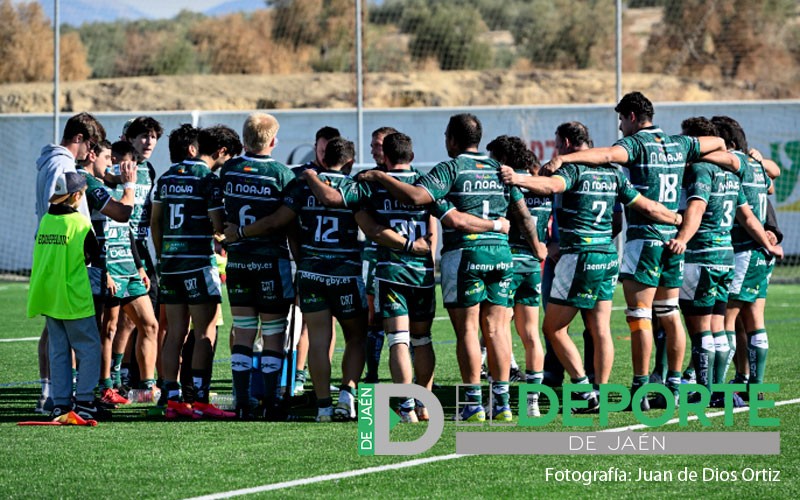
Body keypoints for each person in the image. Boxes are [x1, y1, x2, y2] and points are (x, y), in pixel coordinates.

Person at [541, 92, 727, 410]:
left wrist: (564, 159)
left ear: (630, 116)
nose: (620, 128)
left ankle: (640, 390)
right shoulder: (680, 144)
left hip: (645, 239)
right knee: (669, 314)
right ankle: (672, 386)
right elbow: (719, 144)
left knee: (639, 316)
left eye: (620, 121)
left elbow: (604, 157)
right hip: (673, 240)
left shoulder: (636, 144)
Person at [360, 113, 537, 422]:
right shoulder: (499, 170)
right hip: (501, 254)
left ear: (453, 139)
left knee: (468, 329)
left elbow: (417, 197)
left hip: (466, 253)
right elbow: (522, 213)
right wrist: (536, 247)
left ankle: (472, 403)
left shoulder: (451, 168)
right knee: (496, 329)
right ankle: (502, 403)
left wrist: (379, 177)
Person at [501, 121, 682, 413]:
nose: (557, 149)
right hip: (608, 255)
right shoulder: (613, 173)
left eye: (558, 144)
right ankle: (601, 390)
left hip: (580, 255)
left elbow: (550, 185)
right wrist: (676, 220)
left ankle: (585, 392)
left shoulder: (573, 169)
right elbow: (645, 206)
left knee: (554, 328)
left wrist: (516, 179)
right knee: (600, 328)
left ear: (569, 143)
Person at [229, 138, 367, 422]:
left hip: (311, 273)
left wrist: (242, 233)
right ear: (350, 163)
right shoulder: (355, 187)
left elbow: (278, 221)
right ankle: (346, 396)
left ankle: (323, 408)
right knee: (356, 337)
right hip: (345, 273)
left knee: (318, 339)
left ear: (322, 156)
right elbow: (371, 228)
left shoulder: (301, 185)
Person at [665, 117, 782, 407]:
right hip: (733, 256)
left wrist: (682, 236)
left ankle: (712, 389)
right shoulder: (738, 171)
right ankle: (736, 387)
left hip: (719, 253)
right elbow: (760, 198)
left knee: (715, 326)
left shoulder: (711, 168)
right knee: (735, 324)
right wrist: (768, 241)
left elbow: (697, 208)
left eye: (688, 140)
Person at [151, 125, 242, 420]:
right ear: (220, 152)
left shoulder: (165, 178)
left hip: (170, 264)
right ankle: (201, 400)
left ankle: (173, 399)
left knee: (175, 332)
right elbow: (217, 226)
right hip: (199, 264)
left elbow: (156, 223)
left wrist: (163, 256)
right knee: (206, 329)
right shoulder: (207, 179)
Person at [219, 113, 295, 420]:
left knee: (244, 331)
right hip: (270, 263)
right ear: (274, 141)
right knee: (275, 332)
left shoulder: (230, 169)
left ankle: (242, 401)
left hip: (238, 261)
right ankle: (271, 402)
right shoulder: (280, 173)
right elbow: (287, 221)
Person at [33, 112, 106, 414]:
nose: (91, 154)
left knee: (59, 347)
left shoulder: (49, 216)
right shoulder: (63, 167)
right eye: (90, 145)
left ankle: (60, 402)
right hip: (72, 281)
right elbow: (90, 251)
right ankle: (86, 400)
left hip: (50, 281)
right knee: (88, 346)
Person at [78, 140, 159, 405]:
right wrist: (102, 271)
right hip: (108, 268)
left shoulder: (111, 184)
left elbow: (128, 231)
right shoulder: (90, 187)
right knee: (108, 329)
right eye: (108, 158)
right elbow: (93, 235)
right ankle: (106, 387)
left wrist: (139, 266)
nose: (112, 163)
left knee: (149, 323)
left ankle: (147, 388)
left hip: (129, 267)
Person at [712, 116, 782, 399]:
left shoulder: (738, 162)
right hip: (757, 253)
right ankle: (753, 385)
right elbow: (772, 180)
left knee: (724, 318)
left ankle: (717, 389)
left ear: (728, 144)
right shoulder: (756, 166)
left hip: (745, 250)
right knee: (752, 319)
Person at [486, 135, 548, 417]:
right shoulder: (541, 185)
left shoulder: (507, 183)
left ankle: (496, 400)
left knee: (495, 331)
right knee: (531, 334)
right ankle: (533, 401)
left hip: (508, 260)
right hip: (533, 265)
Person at [291, 126, 341, 396]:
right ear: (315, 146)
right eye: (321, 149)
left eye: (328, 150)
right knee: (308, 321)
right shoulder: (301, 176)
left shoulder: (341, 177)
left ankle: (322, 375)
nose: (324, 154)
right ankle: (298, 376)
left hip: (332, 264)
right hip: (308, 260)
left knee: (328, 322)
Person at [362, 126, 399, 384]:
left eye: (379, 145)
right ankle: (372, 374)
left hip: (401, 257)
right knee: (372, 318)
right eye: (373, 145)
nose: (375, 149)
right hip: (373, 256)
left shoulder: (407, 177)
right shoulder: (366, 179)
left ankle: (417, 378)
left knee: (408, 319)